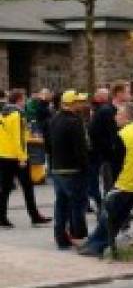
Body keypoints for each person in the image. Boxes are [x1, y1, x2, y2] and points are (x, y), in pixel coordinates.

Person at [77, 103, 133, 258]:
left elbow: (116, 160)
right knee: (119, 215)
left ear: (127, 116)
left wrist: (114, 183)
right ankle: (96, 242)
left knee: (109, 214)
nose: (115, 117)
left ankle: (96, 245)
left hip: (127, 181)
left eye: (119, 114)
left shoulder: (124, 134)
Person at [0, 88, 52, 227]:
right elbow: (18, 138)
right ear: (19, 100)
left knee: (5, 188)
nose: (25, 101)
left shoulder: (3, 113)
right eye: (24, 99)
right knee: (27, 187)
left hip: (4, 154)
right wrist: (22, 157)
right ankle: (34, 215)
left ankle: (2, 216)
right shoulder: (17, 115)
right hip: (17, 156)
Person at [46, 90, 90, 249]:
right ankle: (79, 235)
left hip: (57, 168)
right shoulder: (75, 121)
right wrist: (86, 167)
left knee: (61, 204)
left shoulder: (54, 119)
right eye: (79, 102)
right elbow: (80, 148)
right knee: (77, 204)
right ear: (71, 104)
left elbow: (48, 144)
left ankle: (61, 238)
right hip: (73, 169)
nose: (82, 104)